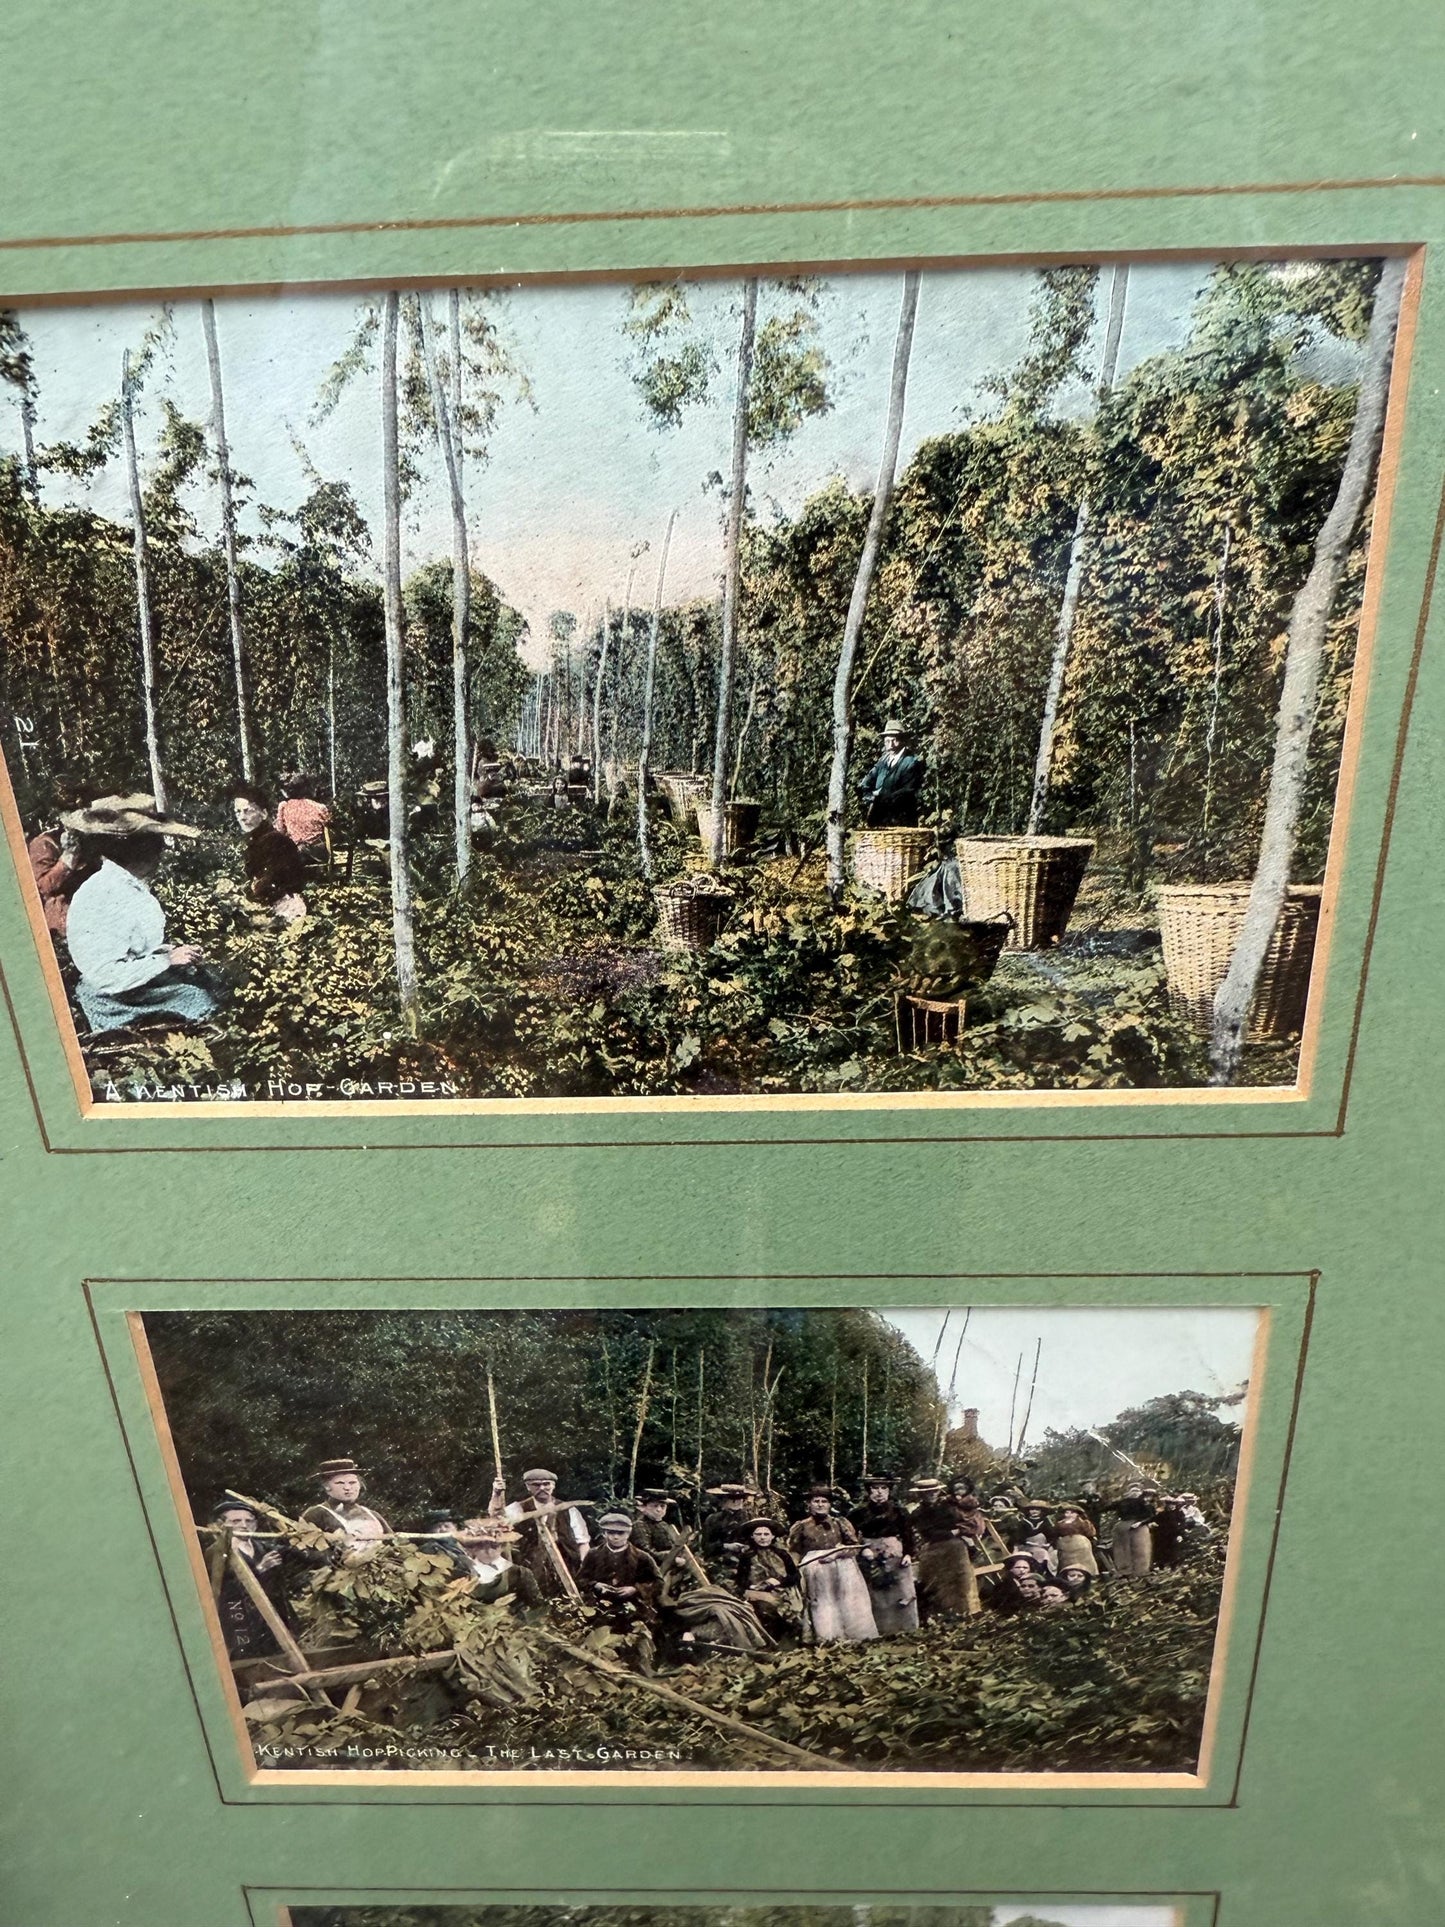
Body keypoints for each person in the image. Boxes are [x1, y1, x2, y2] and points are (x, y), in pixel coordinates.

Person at [62, 795, 224, 1033]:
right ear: (135, 849)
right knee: (197, 999)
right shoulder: (103, 893)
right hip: (112, 999)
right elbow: (104, 973)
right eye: (156, 843)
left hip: (132, 987)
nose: (161, 851)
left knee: (214, 982)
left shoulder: (127, 885)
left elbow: (129, 948)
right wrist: (166, 961)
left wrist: (166, 952)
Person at [208, 1501, 306, 1662]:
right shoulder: (216, 1553)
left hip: (275, 1621)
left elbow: (301, 1555)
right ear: (220, 1525)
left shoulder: (265, 1547)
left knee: (284, 1662)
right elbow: (221, 1590)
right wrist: (260, 1569)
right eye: (236, 1521)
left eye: (249, 1521)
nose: (244, 1525)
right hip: (240, 1621)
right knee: (248, 1664)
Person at [787, 1487, 878, 1644]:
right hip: (814, 1567)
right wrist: (795, 1569)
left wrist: (837, 1554)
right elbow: (794, 1551)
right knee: (822, 1601)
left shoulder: (839, 1523)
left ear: (829, 1505)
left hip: (842, 1565)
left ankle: (855, 1635)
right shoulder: (801, 1526)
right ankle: (827, 1636)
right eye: (816, 1501)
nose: (820, 1505)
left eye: (824, 1501)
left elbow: (853, 1547)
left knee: (847, 1599)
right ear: (809, 1504)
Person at [491, 1467, 591, 1598]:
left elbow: (583, 1542)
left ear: (553, 1486)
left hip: (566, 1565)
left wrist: (584, 1568)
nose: (542, 1488)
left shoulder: (569, 1510)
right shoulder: (518, 1508)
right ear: (528, 1487)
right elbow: (496, 1517)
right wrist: (496, 1493)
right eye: (536, 1485)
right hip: (532, 1566)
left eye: (546, 1484)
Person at [578, 1510, 662, 1663]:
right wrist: (596, 1585)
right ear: (604, 1533)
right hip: (600, 1608)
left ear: (628, 1534)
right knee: (596, 1645)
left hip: (634, 1608)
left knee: (638, 1642)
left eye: (620, 1533)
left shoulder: (642, 1557)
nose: (615, 1537)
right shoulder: (594, 1555)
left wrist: (636, 1589)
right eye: (611, 1532)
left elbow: (658, 1583)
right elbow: (581, 1579)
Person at [26, 773, 98, 940]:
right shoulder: (43, 844)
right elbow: (40, 889)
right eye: (72, 805)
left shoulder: (86, 834)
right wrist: (67, 862)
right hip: (61, 915)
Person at [850, 1474, 919, 1636]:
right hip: (869, 1555)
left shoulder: (899, 1512)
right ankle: (883, 1630)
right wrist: (862, 1549)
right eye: (875, 1488)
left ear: (889, 1491)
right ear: (869, 1491)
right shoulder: (858, 1513)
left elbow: (908, 1534)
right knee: (877, 1592)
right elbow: (850, 1536)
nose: (879, 1492)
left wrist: (908, 1554)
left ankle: (908, 1629)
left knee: (902, 1591)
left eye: (883, 1488)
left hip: (895, 1554)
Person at [229, 785, 307, 921]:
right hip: (268, 902)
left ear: (264, 813)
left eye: (247, 811)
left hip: (286, 907)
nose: (242, 817)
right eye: (238, 812)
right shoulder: (255, 841)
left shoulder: (275, 841)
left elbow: (274, 880)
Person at [910, 1477, 983, 1622]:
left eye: (933, 1491)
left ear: (938, 1491)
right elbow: (927, 1532)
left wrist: (960, 1531)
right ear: (920, 1495)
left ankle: (965, 1614)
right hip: (933, 1549)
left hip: (955, 1548)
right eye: (926, 1493)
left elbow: (969, 1523)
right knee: (935, 1583)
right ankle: (940, 1617)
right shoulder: (918, 1513)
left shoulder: (950, 1506)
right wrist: (952, 1532)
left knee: (961, 1580)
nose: (931, 1495)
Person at [300, 1457, 390, 1557]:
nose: (347, 1488)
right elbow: (303, 1551)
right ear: (326, 1487)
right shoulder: (317, 1514)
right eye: (340, 1483)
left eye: (352, 1483)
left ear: (359, 1485)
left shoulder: (373, 1515)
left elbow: (394, 1543)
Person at [733, 1518, 804, 1642]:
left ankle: (788, 1641)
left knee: (789, 1611)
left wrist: (780, 1582)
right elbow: (740, 1580)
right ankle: (768, 1642)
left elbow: (795, 1576)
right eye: (758, 1534)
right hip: (758, 1594)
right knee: (765, 1608)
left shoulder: (782, 1554)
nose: (762, 1538)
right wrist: (753, 1587)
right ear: (752, 1536)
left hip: (784, 1591)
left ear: (772, 1536)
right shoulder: (747, 1556)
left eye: (766, 1534)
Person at [455, 1514, 544, 1606]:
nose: (489, 1551)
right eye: (481, 1545)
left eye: (494, 1545)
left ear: (502, 1546)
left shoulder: (520, 1574)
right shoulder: (459, 1570)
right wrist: (492, 1608)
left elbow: (538, 1609)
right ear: (471, 1548)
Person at [856, 720, 925, 828]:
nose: (891, 745)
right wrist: (871, 798)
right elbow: (866, 784)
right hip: (878, 819)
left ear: (903, 741)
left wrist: (880, 797)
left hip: (901, 820)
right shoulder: (883, 761)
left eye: (894, 740)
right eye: (887, 741)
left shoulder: (911, 762)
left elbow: (907, 790)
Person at [275, 773, 332, 869]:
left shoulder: (284, 806)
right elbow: (330, 829)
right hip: (318, 853)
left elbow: (280, 831)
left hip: (295, 852)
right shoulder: (320, 807)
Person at [702, 1484, 755, 1584]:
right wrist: (726, 1546)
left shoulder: (749, 1519)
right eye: (732, 1499)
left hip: (745, 1562)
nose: (737, 1502)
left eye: (740, 1498)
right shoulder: (713, 1519)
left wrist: (746, 1548)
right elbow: (706, 1546)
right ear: (723, 1500)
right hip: (718, 1562)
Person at [1108, 1481, 1158, 1576]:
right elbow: (1151, 1515)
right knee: (1129, 1548)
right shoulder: (1140, 1503)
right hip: (1130, 1526)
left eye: (1137, 1490)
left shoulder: (1139, 1503)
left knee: (1137, 1548)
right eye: (1133, 1490)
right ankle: (1131, 1570)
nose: (1135, 1493)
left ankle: (1136, 1570)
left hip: (1134, 1526)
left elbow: (1151, 1516)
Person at [631, 1489, 685, 1562]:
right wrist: (670, 1557)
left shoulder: (665, 1525)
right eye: (655, 1506)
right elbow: (645, 1552)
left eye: (662, 1506)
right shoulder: (639, 1526)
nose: (659, 1510)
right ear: (644, 1507)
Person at [1053, 1504, 1100, 1577]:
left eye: (1072, 1513)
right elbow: (1055, 1534)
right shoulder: (1059, 1523)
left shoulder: (1083, 1522)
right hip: (1065, 1546)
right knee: (1066, 1562)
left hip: (1080, 1544)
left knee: (1084, 1561)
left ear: (1077, 1514)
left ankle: (1088, 1575)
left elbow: (1090, 1533)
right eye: (1067, 1512)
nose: (1069, 1515)